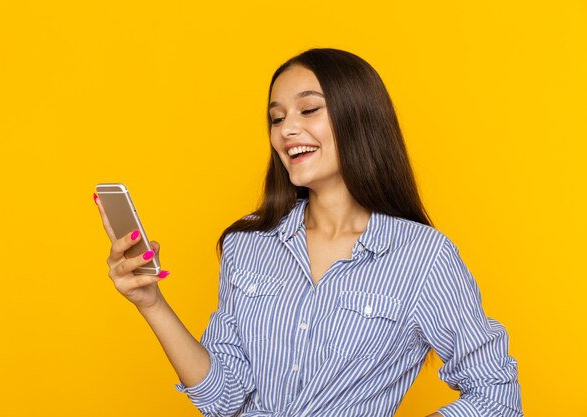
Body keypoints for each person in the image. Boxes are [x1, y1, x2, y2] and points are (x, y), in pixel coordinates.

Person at [94, 48, 523, 417]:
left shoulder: (423, 257)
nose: (286, 129)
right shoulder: (248, 245)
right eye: (276, 118)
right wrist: (151, 303)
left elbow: (497, 394)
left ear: (358, 117)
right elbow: (223, 398)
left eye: (308, 109)